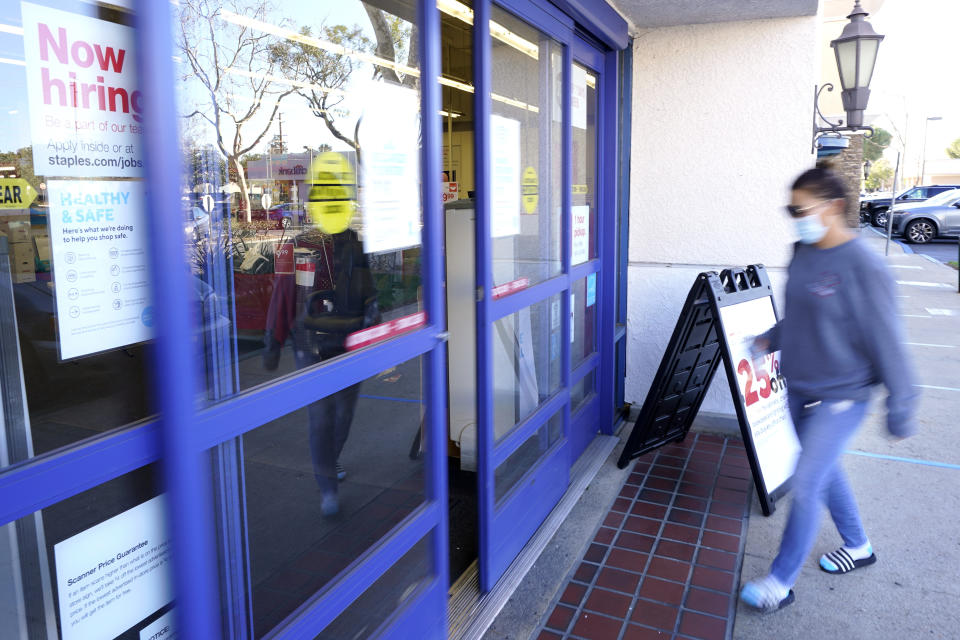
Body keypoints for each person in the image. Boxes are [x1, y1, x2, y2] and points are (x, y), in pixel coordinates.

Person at [739, 167, 919, 612]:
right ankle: (858, 545)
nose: (795, 218)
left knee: (808, 480)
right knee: (825, 470)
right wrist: (769, 340)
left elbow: (887, 341)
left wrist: (902, 408)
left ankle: (779, 582)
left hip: (844, 395)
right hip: (800, 388)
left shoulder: (865, 266)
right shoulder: (802, 249)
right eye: (790, 209)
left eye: (801, 209)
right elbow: (802, 315)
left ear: (834, 207)